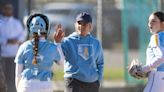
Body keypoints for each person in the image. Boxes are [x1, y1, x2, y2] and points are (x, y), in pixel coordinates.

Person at [54, 12, 104, 92]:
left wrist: (99, 79)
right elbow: (59, 60)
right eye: (79, 23)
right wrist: (57, 43)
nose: (81, 26)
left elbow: (100, 62)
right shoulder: (68, 41)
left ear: (90, 27)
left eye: (84, 24)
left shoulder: (95, 43)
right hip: (74, 81)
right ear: (75, 25)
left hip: (92, 83)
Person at [14, 13, 64, 92]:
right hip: (44, 86)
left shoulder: (23, 46)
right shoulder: (52, 47)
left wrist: (19, 89)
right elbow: (61, 62)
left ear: (30, 29)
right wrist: (57, 43)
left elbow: (17, 75)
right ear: (47, 29)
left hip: (26, 85)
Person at [129, 11, 164, 92]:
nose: (150, 24)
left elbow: (162, 56)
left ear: (163, 24)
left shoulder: (156, 37)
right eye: (149, 21)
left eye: (153, 21)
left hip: (158, 77)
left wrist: (144, 69)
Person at [0, 3, 26, 92]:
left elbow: (22, 35)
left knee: (14, 76)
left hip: (15, 54)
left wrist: (16, 40)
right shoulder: (1, 22)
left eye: (10, 9)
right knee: (3, 76)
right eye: (6, 8)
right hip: (3, 55)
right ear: (3, 9)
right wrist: (6, 41)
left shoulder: (16, 22)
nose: (8, 10)